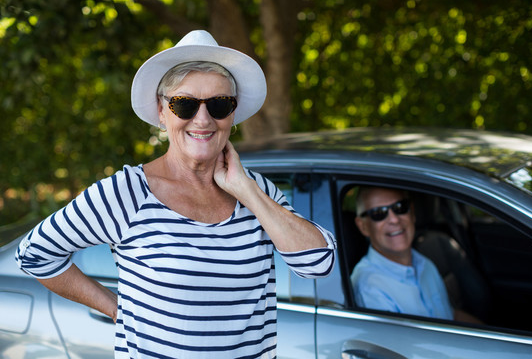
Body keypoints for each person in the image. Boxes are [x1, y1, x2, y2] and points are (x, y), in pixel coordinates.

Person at [15, 30, 336, 358]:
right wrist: (119, 310)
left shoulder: (257, 191)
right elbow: (34, 254)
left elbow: (318, 263)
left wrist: (247, 191)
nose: (203, 118)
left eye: (219, 104)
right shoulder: (126, 193)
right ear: (161, 111)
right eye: (184, 104)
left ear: (233, 113)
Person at [350, 186, 478, 323]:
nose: (394, 219)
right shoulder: (368, 288)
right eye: (378, 213)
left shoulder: (425, 263)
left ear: (412, 212)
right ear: (363, 226)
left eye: (400, 207)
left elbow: (450, 316)